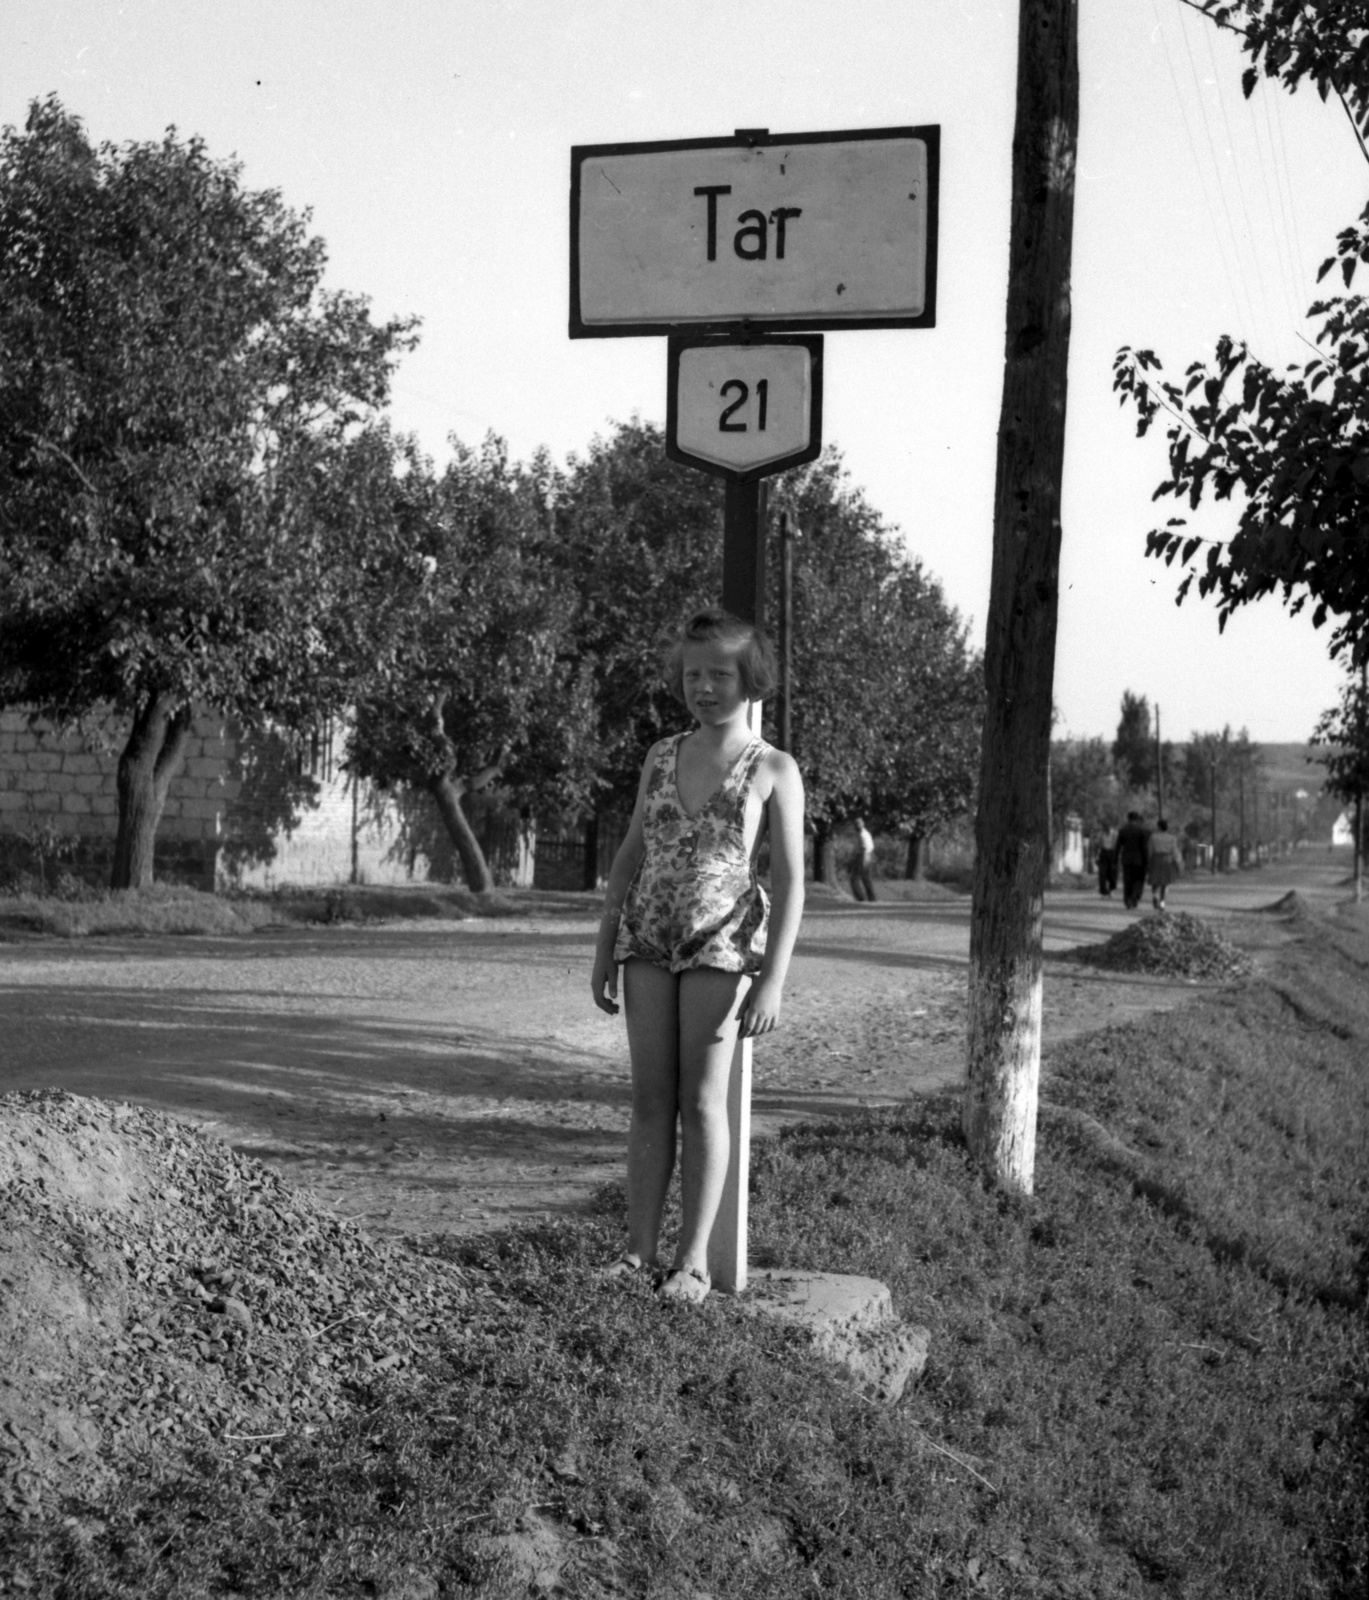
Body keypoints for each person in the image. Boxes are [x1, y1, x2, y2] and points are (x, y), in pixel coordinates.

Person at [591, 608, 805, 1305]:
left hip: (721, 945)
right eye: (692, 675)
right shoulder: (661, 754)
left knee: (703, 1102)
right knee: (650, 1100)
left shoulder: (772, 768)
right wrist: (604, 948)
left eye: (720, 675)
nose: (704, 688)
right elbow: (629, 856)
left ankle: (692, 1264)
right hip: (647, 939)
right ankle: (636, 1254)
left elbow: (791, 882)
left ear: (751, 679)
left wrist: (772, 980)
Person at [1116, 810, 1150, 910]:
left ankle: (1127, 900)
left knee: (1127, 881)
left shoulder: (1123, 830)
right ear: (1137, 819)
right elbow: (1144, 848)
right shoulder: (1142, 830)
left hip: (1126, 860)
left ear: (1128, 818)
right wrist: (1147, 862)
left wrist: (1114, 860)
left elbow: (1118, 846)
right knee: (1138, 880)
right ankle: (1134, 897)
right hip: (1139, 860)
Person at [1147, 817, 1181, 909]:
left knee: (1154, 880)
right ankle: (1162, 902)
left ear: (1158, 827)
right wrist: (1178, 861)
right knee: (1164, 882)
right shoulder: (1172, 838)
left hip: (1156, 859)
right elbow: (1174, 851)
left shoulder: (1153, 837)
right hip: (1167, 860)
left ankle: (1155, 895)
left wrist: (1148, 862)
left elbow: (1150, 850)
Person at [850, 816, 877, 902]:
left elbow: (865, 848)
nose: (856, 826)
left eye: (858, 824)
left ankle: (861, 897)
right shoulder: (862, 834)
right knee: (865, 878)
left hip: (864, 856)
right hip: (864, 855)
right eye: (856, 824)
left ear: (862, 824)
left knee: (854, 878)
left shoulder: (863, 834)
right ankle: (871, 897)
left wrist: (863, 860)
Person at [1097, 824, 1119, 897]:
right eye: (1105, 828)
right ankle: (1103, 891)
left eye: (1108, 828)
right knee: (1102, 873)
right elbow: (1098, 844)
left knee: (1112, 873)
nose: (1106, 829)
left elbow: (1118, 845)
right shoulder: (1101, 834)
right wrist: (1097, 854)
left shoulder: (1115, 834)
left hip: (1112, 853)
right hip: (1103, 853)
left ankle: (1111, 890)